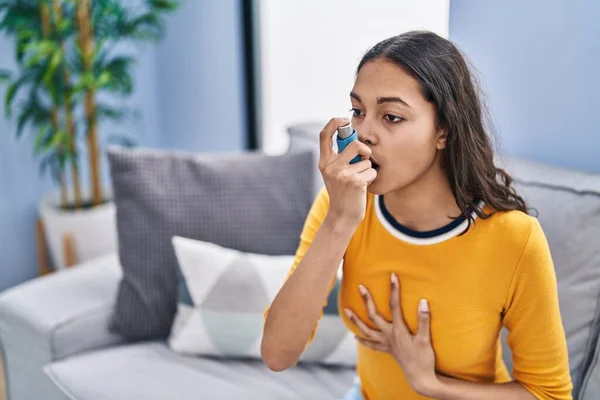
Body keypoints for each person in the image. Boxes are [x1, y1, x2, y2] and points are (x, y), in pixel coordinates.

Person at [261, 30, 573, 400]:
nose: (364, 133)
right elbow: (278, 354)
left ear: (443, 130)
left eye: (391, 117)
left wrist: (431, 385)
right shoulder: (341, 208)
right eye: (358, 112)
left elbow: (549, 394)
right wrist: (340, 221)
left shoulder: (515, 239)